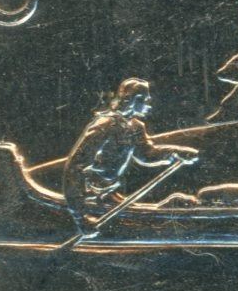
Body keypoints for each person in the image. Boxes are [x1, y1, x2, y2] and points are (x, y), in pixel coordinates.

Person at [62, 78, 198, 229]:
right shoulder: (105, 124)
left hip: (109, 193)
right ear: (134, 100)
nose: (149, 105)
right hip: (89, 195)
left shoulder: (135, 126)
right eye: (145, 100)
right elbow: (76, 166)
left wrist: (176, 153)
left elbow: (147, 154)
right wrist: (79, 216)